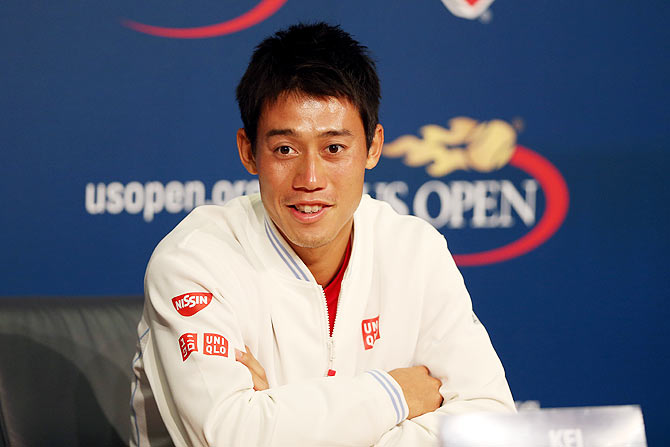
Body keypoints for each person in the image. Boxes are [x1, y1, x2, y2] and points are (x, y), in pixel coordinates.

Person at [130, 22, 514, 447]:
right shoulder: (194, 261)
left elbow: (490, 422)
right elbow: (231, 436)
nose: (310, 178)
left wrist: (279, 418)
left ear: (372, 147)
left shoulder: (414, 250)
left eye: (334, 148)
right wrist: (397, 394)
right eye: (285, 149)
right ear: (247, 151)